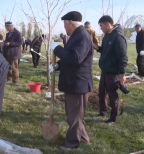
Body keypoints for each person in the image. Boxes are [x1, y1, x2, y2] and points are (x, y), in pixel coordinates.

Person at [49, 11, 93, 150]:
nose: (64, 27)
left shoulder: (82, 37)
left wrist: (57, 49)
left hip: (78, 83)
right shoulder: (76, 36)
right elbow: (69, 57)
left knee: (74, 116)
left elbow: (75, 58)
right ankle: (84, 139)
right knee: (76, 114)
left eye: (64, 24)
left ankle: (72, 144)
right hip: (73, 82)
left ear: (70, 22)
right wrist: (58, 65)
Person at [94, 15, 128, 125]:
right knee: (102, 93)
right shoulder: (107, 36)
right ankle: (102, 112)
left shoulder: (118, 37)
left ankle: (113, 119)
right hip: (105, 70)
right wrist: (98, 48)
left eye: (101, 25)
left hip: (113, 72)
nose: (100, 28)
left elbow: (123, 57)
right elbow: (105, 51)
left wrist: (122, 74)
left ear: (108, 24)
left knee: (113, 97)